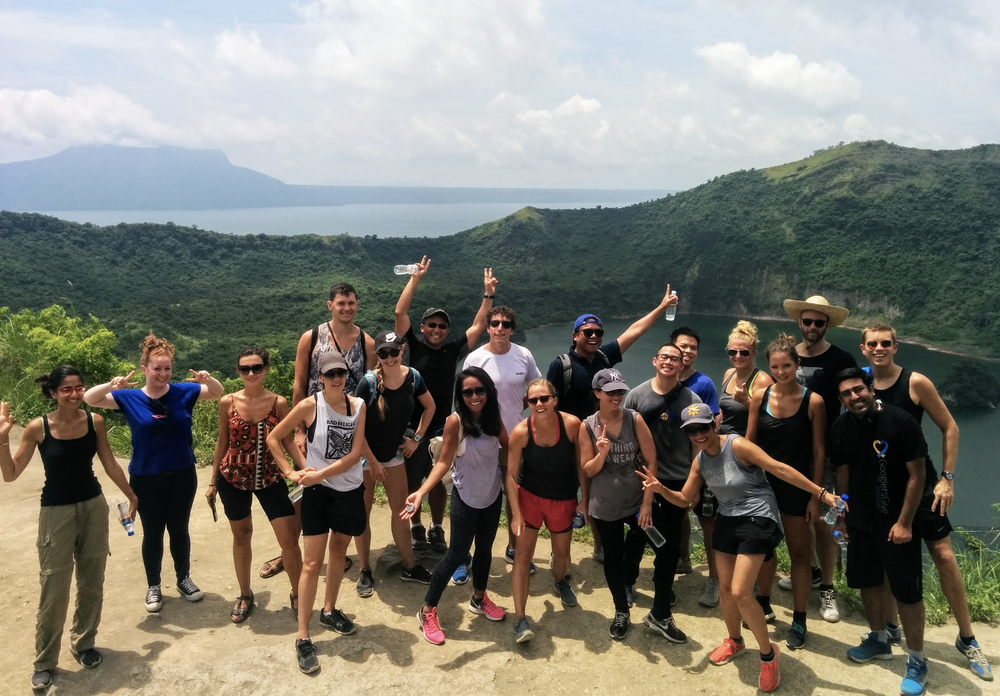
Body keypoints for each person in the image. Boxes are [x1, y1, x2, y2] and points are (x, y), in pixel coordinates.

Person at [638, 402, 843, 693]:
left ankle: (769, 655)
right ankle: (734, 640)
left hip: (758, 515)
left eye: (704, 427)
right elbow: (685, 500)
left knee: (741, 592)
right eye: (691, 430)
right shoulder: (700, 461)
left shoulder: (737, 446)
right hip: (728, 518)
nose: (699, 434)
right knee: (725, 589)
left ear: (715, 425)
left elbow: (779, 468)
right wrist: (660, 489)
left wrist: (821, 493)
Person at [861, 322, 992, 681]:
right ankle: (889, 629)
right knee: (890, 558)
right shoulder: (862, 384)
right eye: (872, 343)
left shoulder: (915, 382)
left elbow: (950, 426)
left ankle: (967, 638)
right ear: (863, 348)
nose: (879, 349)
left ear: (895, 347)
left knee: (944, 555)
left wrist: (947, 480)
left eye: (885, 343)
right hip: (884, 485)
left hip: (922, 482)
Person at [0, 367, 138, 692]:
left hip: (93, 506)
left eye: (79, 388)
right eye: (66, 390)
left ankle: (84, 642)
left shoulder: (94, 422)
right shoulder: (38, 428)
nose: (75, 394)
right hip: (55, 511)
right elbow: (11, 473)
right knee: (54, 586)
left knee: (92, 579)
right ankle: (45, 661)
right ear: (53, 393)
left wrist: (132, 495)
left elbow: (109, 462)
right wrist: (3, 437)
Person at [83, 333, 223, 613]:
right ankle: (154, 585)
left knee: (179, 529)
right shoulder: (129, 397)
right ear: (144, 369)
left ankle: (184, 579)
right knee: (153, 532)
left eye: (167, 368)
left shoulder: (184, 391)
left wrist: (207, 379)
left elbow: (217, 392)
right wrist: (113, 384)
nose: (162, 373)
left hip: (182, 474)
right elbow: (91, 399)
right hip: (145, 476)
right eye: (156, 368)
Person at [544, 285, 679, 563]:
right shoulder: (563, 365)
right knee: (572, 494)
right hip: (573, 440)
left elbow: (634, 331)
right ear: (575, 335)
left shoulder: (604, 357)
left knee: (596, 494)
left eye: (598, 332)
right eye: (587, 332)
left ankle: (600, 545)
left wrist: (662, 307)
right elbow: (548, 401)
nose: (593, 336)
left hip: (607, 439)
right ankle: (566, 549)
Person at [830, 368, 930, 696]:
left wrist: (904, 522)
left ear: (871, 388)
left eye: (858, 389)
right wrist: (841, 517)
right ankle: (879, 638)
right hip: (860, 520)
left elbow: (917, 475)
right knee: (869, 582)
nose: (854, 397)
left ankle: (916, 659)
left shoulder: (901, 422)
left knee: (906, 592)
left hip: (896, 524)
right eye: (846, 394)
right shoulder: (842, 426)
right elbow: (841, 473)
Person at [265, 352, 367, 674]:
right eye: (330, 373)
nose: (337, 378)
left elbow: (354, 455)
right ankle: (302, 636)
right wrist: (292, 471)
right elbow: (274, 437)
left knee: (338, 553)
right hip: (318, 495)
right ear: (321, 377)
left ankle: (329, 609)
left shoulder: (358, 407)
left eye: (341, 373)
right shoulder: (311, 406)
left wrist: (317, 473)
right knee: (311, 563)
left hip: (348, 490)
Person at [266, 281, 374, 580]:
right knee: (307, 491)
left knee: (355, 494)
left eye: (351, 303)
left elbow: (370, 385)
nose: (347, 308)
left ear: (357, 304)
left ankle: (359, 561)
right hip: (315, 423)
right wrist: (300, 430)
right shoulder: (311, 337)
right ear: (330, 305)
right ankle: (292, 552)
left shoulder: (366, 342)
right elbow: (300, 384)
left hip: (353, 424)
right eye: (341, 303)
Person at [394, 258, 496, 557]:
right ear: (423, 327)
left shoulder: (453, 350)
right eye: (432, 325)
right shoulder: (411, 345)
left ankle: (437, 527)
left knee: (436, 480)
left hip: (442, 426)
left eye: (443, 325)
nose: (437, 329)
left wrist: (488, 294)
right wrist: (415, 278)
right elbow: (400, 312)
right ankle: (416, 528)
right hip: (411, 426)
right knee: (414, 479)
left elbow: (479, 325)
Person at [403, 367, 509, 645]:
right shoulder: (455, 421)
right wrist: (420, 492)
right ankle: (427, 611)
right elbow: (442, 463)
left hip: (492, 496)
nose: (475, 396)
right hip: (466, 498)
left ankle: (478, 598)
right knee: (456, 554)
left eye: (480, 390)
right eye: (468, 392)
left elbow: (509, 450)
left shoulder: (493, 418)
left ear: (488, 391)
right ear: (461, 396)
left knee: (484, 550)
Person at [581, 368, 688, 641]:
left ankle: (660, 613)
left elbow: (652, 461)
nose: (617, 397)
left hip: (638, 500)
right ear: (597, 394)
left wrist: (648, 503)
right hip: (605, 504)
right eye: (610, 393)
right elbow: (589, 470)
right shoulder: (587, 426)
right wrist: (602, 453)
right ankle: (620, 611)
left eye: (620, 391)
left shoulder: (634, 419)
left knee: (668, 549)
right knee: (613, 558)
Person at [208, 348, 302, 623]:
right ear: (238, 371)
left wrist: (304, 468)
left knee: (288, 541)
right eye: (244, 369)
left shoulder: (279, 403)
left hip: (270, 477)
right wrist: (213, 481)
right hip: (233, 477)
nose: (251, 373)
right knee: (241, 535)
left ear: (266, 369)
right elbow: (222, 441)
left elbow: (287, 441)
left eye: (256, 368)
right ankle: (245, 593)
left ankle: (298, 593)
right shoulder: (227, 402)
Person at [780, 294, 858, 620]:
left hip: (825, 450)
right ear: (800, 322)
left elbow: (854, 397)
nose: (812, 327)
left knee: (826, 522)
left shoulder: (841, 359)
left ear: (827, 325)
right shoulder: (786, 356)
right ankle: (810, 571)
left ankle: (827, 587)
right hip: (790, 451)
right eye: (807, 321)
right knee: (796, 518)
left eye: (819, 322)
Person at [746, 335, 826, 650]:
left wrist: (815, 495)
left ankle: (800, 618)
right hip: (763, 486)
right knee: (764, 548)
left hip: (797, 487)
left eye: (787, 365)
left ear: (797, 364)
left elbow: (819, 452)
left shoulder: (813, 401)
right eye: (776, 366)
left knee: (800, 553)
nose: (781, 372)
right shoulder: (759, 397)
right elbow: (749, 443)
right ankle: (763, 602)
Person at [621, 343, 701, 622]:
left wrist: (695, 485)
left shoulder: (691, 399)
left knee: (672, 537)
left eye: (675, 359)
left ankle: (662, 584)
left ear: (682, 365)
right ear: (655, 360)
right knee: (638, 534)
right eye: (664, 357)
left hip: (677, 479)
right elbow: (625, 436)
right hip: (643, 478)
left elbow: (697, 444)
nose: (668, 362)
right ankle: (628, 581)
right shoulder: (636, 396)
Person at [354, 331, 436, 596]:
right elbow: (356, 428)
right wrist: (373, 462)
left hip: (393, 454)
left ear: (402, 350)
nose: (389, 358)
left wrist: (417, 438)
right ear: (378, 355)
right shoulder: (367, 383)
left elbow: (430, 407)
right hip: (365, 455)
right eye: (383, 353)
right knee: (362, 513)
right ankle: (365, 569)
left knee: (400, 510)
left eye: (393, 351)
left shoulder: (413, 377)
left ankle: (409, 565)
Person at [506, 379, 585, 642]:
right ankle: (520, 619)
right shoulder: (521, 432)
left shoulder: (572, 425)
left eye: (544, 399)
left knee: (562, 556)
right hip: (530, 497)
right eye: (533, 401)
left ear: (554, 400)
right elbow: (510, 475)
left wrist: (583, 500)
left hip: (563, 499)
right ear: (527, 404)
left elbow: (580, 464)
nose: (539, 404)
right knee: (521, 555)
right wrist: (516, 512)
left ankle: (560, 580)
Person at [463, 305, 541, 565]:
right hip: (480, 440)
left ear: (512, 329)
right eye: (495, 323)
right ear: (487, 328)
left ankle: (514, 548)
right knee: (476, 498)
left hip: (514, 440)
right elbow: (464, 399)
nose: (500, 328)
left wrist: (516, 412)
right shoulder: (475, 359)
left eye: (506, 324)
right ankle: (467, 554)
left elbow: (535, 389)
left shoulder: (523, 355)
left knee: (514, 496)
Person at [670, 326, 722, 600]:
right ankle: (683, 558)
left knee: (707, 520)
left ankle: (714, 579)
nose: (687, 351)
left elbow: (711, 429)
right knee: (677, 514)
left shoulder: (703, 384)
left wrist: (702, 470)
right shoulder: (665, 379)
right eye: (683, 346)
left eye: (693, 347)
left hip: (700, 464)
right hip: (672, 464)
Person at [718, 320, 773, 437]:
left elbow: (770, 419)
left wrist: (746, 401)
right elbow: (723, 411)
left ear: (754, 354)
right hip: (722, 440)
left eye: (744, 352)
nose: (738, 356)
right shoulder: (729, 373)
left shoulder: (762, 380)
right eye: (733, 352)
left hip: (744, 444)